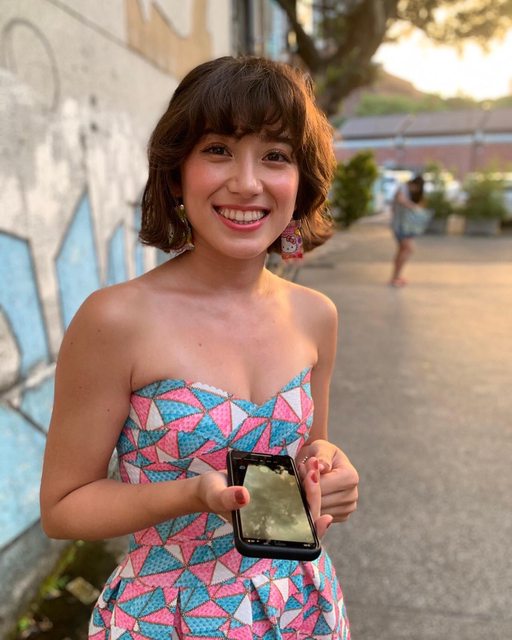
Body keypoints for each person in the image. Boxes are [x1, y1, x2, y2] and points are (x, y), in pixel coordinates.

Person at [40, 56, 359, 639]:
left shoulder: (316, 315)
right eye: (218, 150)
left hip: (301, 604)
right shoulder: (115, 319)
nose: (247, 182)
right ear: (175, 174)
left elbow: (307, 452)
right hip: (169, 615)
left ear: (301, 182)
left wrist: (327, 469)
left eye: (275, 155)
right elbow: (64, 507)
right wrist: (192, 493)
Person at [390, 174, 430, 287]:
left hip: (405, 226)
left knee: (402, 250)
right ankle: (395, 277)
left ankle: (396, 276)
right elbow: (400, 200)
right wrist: (415, 207)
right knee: (408, 249)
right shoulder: (403, 187)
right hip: (401, 226)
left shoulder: (408, 191)